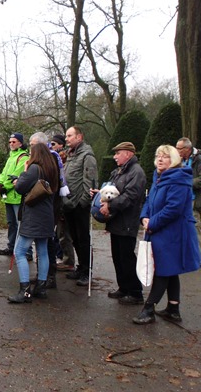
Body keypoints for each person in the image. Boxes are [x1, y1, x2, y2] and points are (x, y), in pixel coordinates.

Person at [133, 145, 201, 325]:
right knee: (170, 269)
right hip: (161, 229)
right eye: (158, 156)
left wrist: (152, 223)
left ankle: (149, 309)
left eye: (165, 156)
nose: (160, 159)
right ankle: (173, 308)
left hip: (174, 232)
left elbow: (173, 209)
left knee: (163, 269)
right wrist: (145, 217)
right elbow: (149, 200)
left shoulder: (178, 180)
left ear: (174, 159)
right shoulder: (159, 177)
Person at [8, 143, 60, 303]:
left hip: (33, 216)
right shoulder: (51, 170)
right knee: (42, 251)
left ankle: (24, 290)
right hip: (47, 215)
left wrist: (24, 172)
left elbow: (21, 188)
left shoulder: (34, 169)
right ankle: (41, 287)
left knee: (20, 251)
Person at [96, 142, 146, 305]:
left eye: (118, 153)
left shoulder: (136, 172)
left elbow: (130, 196)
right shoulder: (118, 171)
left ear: (128, 154)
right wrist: (100, 195)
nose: (115, 156)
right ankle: (123, 287)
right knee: (118, 256)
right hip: (117, 219)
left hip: (127, 220)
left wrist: (110, 205)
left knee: (127, 257)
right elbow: (111, 189)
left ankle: (135, 292)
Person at [62, 126, 98, 287]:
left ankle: (86, 271)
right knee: (75, 238)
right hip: (68, 204)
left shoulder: (87, 156)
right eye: (66, 136)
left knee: (83, 239)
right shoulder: (70, 155)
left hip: (79, 205)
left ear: (79, 137)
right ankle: (80, 267)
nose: (66, 139)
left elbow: (90, 181)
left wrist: (83, 202)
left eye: (70, 136)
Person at [0, 133, 29, 256]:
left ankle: (26, 251)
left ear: (20, 143)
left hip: (17, 196)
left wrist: (5, 187)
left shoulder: (23, 157)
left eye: (14, 142)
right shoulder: (11, 157)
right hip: (8, 197)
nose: (11, 144)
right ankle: (11, 246)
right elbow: (4, 173)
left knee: (20, 224)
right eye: (10, 142)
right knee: (11, 224)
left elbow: (17, 174)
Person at [51, 134, 75, 271]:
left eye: (54, 144)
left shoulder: (63, 159)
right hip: (59, 202)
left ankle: (68, 260)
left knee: (64, 234)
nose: (51, 147)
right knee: (59, 234)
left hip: (66, 201)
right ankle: (64, 258)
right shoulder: (56, 158)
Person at [175, 137, 201, 242]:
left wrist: (186, 183)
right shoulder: (180, 161)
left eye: (179, 148)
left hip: (195, 201)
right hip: (182, 200)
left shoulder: (199, 159)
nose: (177, 151)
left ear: (187, 149)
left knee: (196, 231)